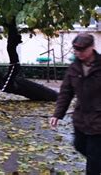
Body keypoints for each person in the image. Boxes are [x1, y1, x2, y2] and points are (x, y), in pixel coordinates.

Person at [50, 33, 101, 175]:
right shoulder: (74, 68)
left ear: (92, 47)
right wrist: (57, 114)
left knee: (93, 158)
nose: (79, 53)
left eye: (82, 50)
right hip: (80, 118)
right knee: (79, 145)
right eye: (76, 50)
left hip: (99, 121)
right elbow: (66, 92)